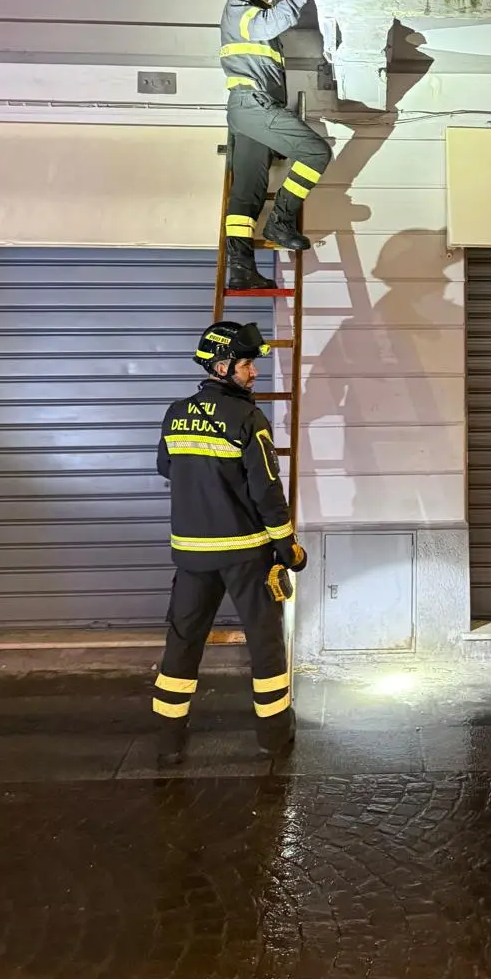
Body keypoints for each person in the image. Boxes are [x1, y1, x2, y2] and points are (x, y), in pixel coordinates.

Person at [152, 320, 306, 766]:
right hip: (243, 553)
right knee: (264, 639)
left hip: (191, 554)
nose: (253, 372)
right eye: (245, 364)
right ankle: (274, 734)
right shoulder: (247, 418)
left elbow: (167, 467)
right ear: (222, 367)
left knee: (183, 641)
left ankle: (168, 739)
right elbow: (267, 492)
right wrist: (288, 548)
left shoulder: (174, 413)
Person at [219, 0, 341, 292]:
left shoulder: (244, 11)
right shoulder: (240, 9)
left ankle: (240, 270)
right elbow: (269, 25)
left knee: (246, 195)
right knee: (316, 153)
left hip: (247, 110)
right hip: (253, 106)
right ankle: (280, 222)